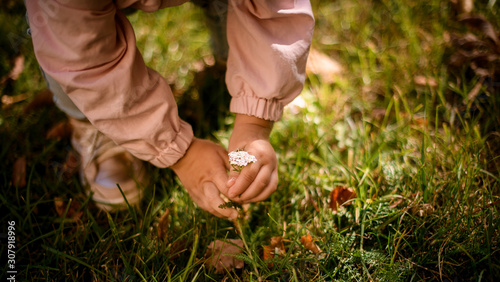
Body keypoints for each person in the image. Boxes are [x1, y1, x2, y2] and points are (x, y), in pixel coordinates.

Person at [25, 0, 315, 220]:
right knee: (65, 39)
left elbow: (276, 11)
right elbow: (84, 61)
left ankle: (245, 70)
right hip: (72, 18)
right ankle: (91, 122)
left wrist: (254, 120)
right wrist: (181, 153)